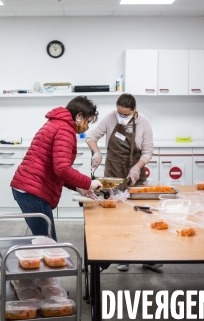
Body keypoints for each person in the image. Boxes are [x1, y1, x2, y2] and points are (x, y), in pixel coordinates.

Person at [10, 96, 103, 241]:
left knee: (44, 241)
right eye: (87, 121)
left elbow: (56, 168)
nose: (87, 126)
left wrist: (79, 187)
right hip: (33, 192)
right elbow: (62, 169)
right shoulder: (65, 129)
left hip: (27, 188)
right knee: (48, 245)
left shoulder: (56, 123)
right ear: (79, 116)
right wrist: (89, 183)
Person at [86, 93, 155, 271]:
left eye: (125, 114)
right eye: (119, 113)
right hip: (113, 170)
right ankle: (120, 256)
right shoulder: (110, 118)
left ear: (134, 111)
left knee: (138, 213)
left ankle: (144, 254)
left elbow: (147, 152)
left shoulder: (144, 123)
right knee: (115, 215)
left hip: (135, 172)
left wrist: (137, 168)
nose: (121, 117)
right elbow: (91, 137)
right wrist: (97, 153)